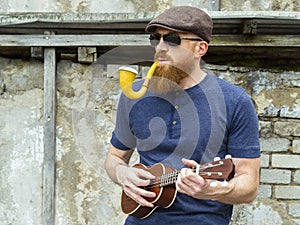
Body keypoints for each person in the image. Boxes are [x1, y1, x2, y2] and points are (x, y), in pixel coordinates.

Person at [105, 6, 260, 225]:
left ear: (200, 49)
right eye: (155, 39)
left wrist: (210, 190)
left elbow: (249, 186)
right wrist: (122, 174)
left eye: (172, 39)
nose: (160, 48)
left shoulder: (234, 101)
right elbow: (115, 158)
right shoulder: (134, 96)